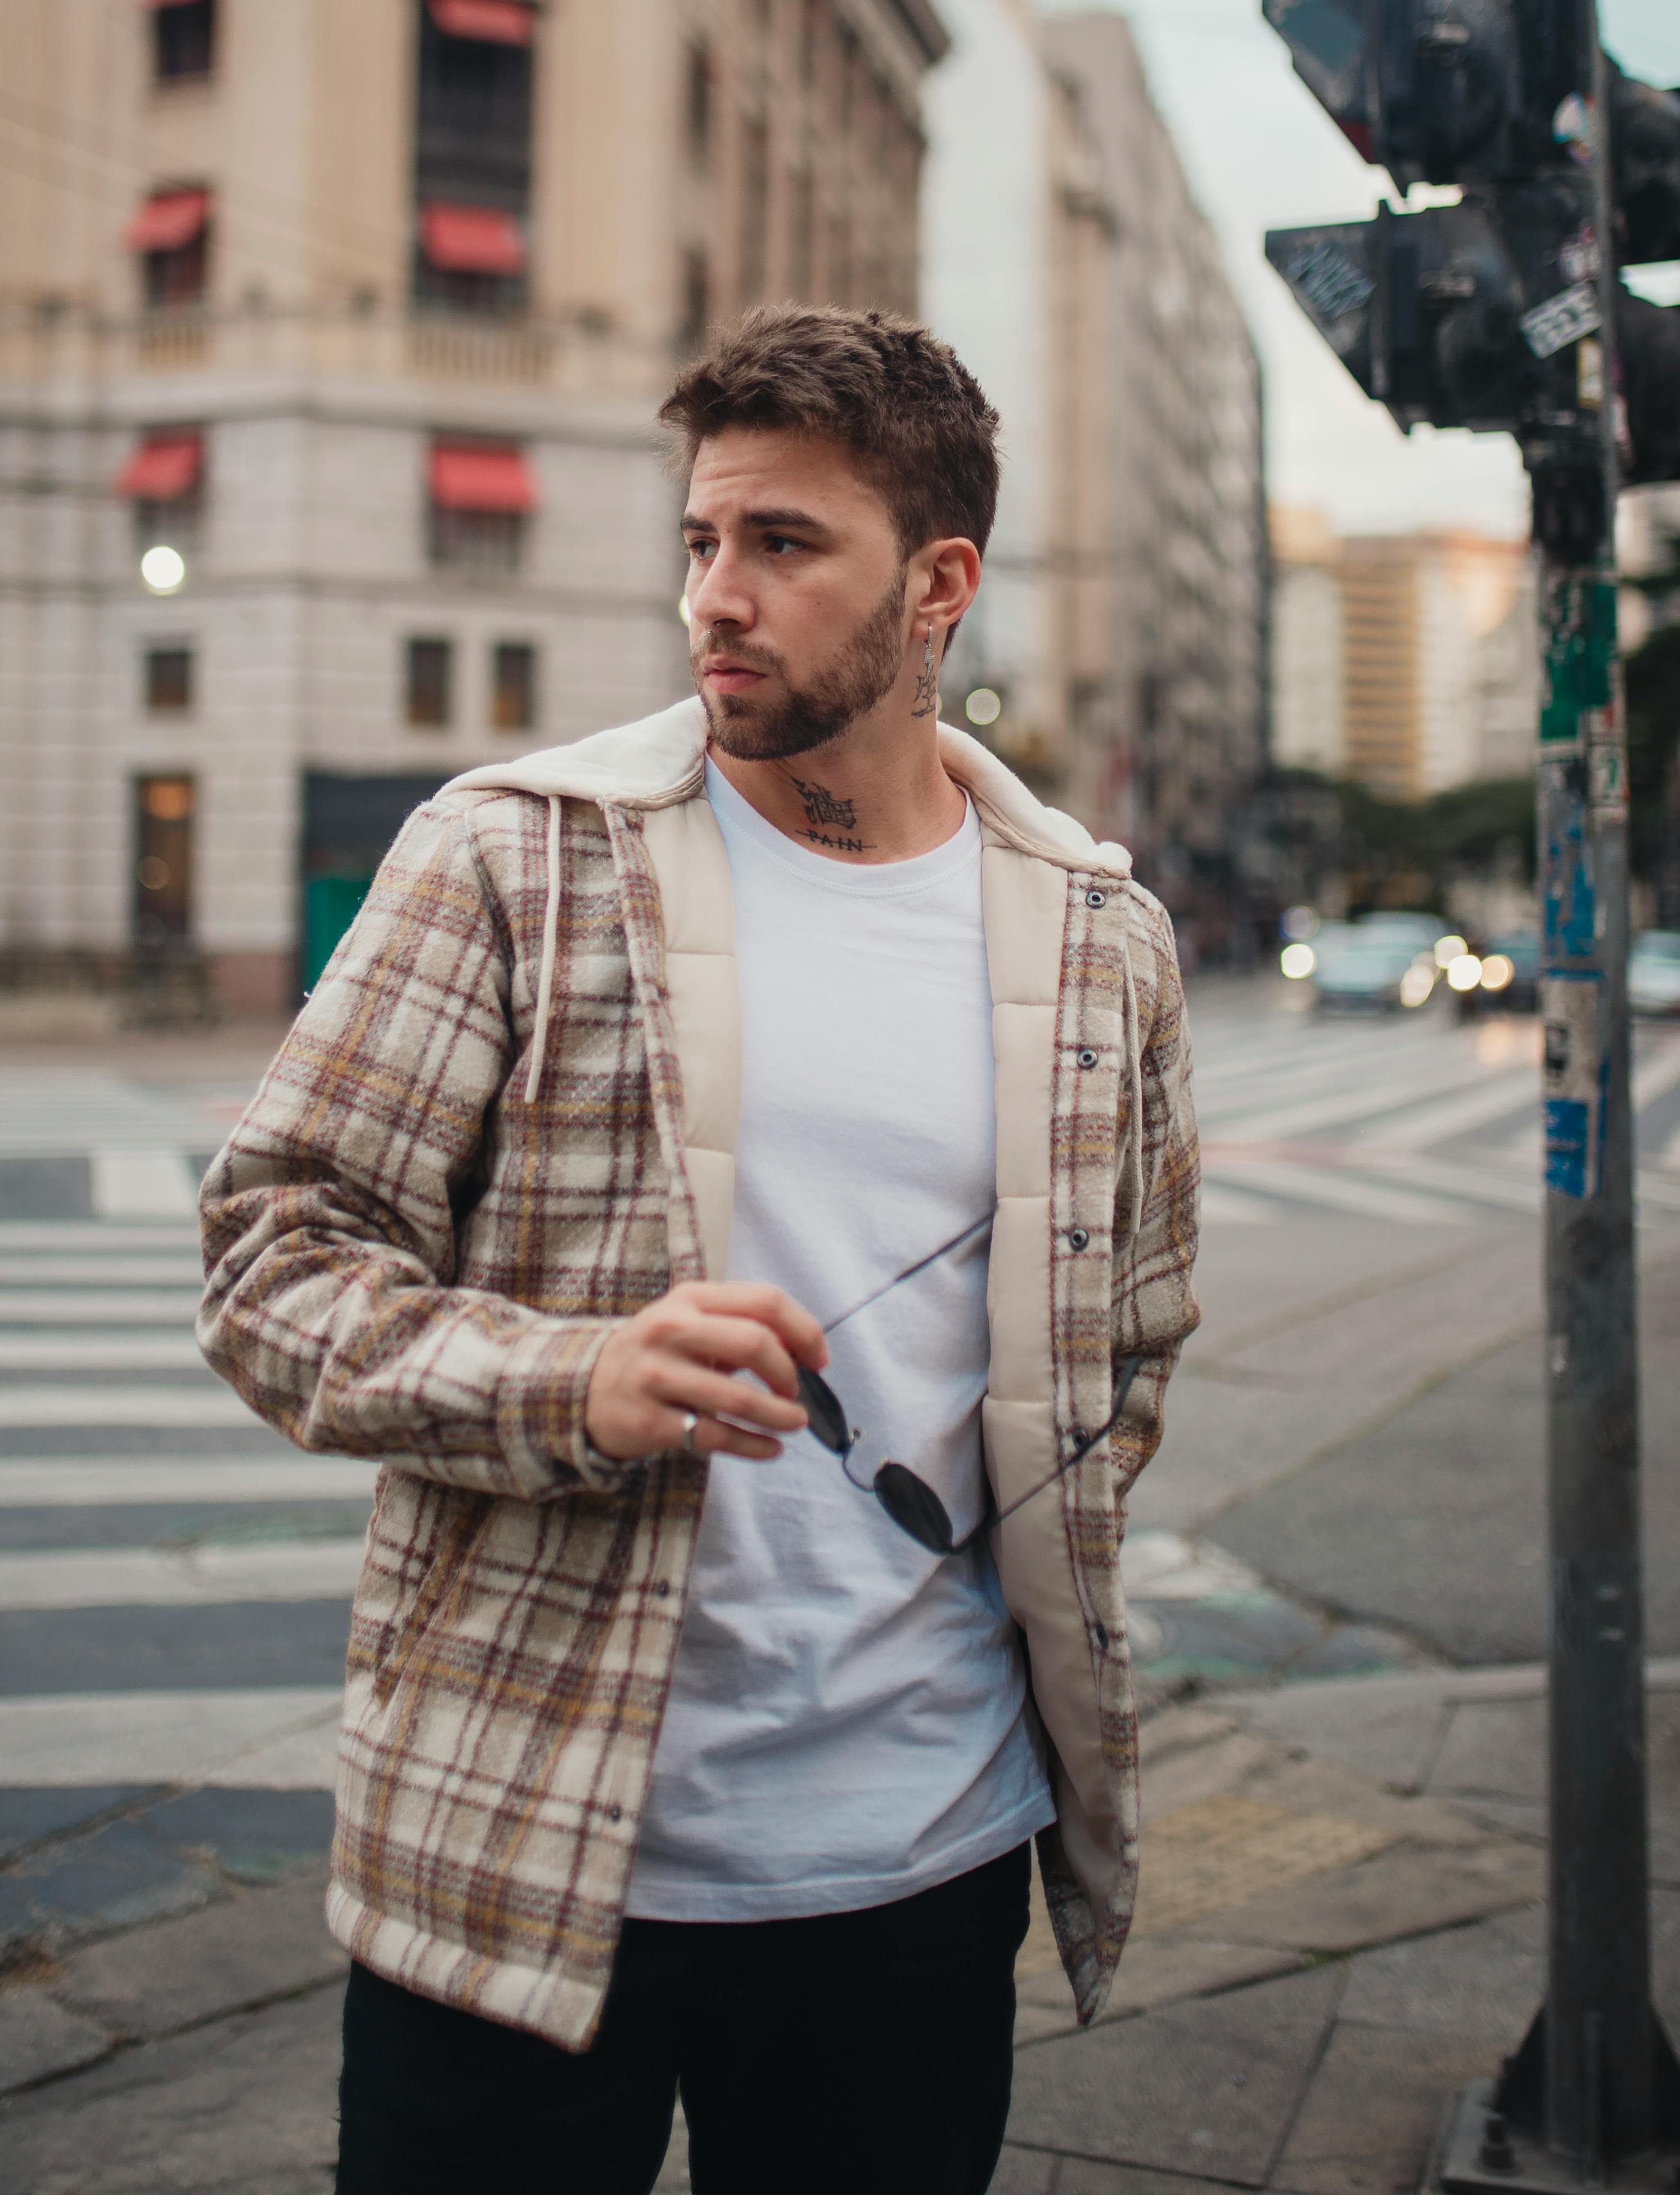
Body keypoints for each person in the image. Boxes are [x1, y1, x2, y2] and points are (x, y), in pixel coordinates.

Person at [198, 305, 1201, 2195]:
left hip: (919, 1864)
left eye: (782, 545)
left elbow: (1126, 1344)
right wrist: (570, 1379)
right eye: (698, 543)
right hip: (525, 1846)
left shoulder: (1097, 937)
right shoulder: (512, 852)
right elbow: (271, 1259)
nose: (714, 598)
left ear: (938, 584)